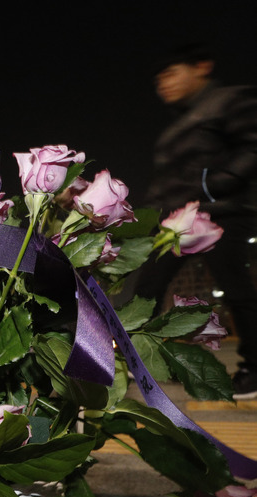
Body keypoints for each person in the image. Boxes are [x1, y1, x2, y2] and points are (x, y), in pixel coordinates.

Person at [135, 43, 257, 399]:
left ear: (201, 66)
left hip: (224, 214)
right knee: (146, 290)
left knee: (236, 290)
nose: (163, 84)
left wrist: (210, 187)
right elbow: (164, 183)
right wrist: (151, 220)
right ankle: (138, 361)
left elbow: (252, 147)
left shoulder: (231, 101)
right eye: (158, 79)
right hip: (179, 222)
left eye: (171, 73)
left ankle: (254, 369)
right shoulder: (175, 128)